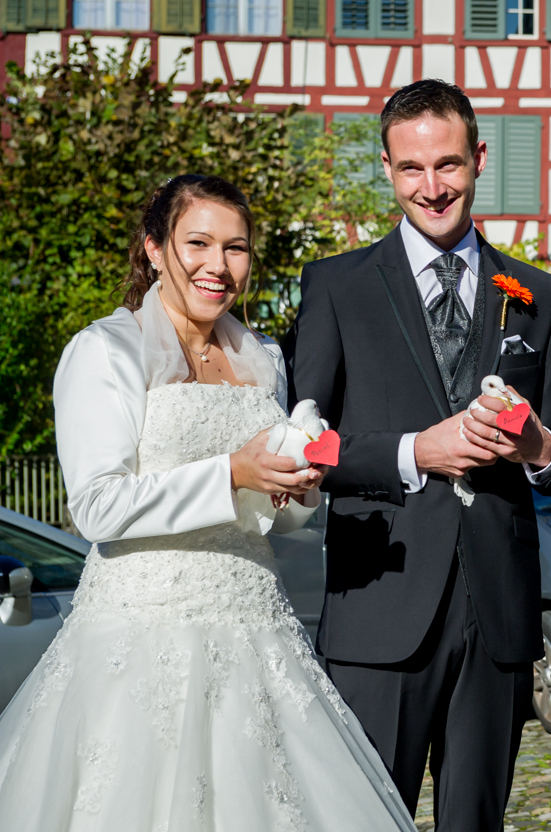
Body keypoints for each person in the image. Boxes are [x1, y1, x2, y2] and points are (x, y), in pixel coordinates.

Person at [0, 174, 418, 831]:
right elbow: (96, 508)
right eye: (197, 242)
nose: (217, 265)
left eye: (237, 247)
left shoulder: (263, 359)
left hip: (256, 622)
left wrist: (296, 487)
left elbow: (279, 518)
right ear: (154, 249)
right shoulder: (106, 351)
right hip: (140, 635)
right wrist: (232, 471)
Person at [283, 79, 551, 830]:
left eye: (448, 164)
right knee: (364, 818)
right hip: (378, 610)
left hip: (497, 613)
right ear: (386, 168)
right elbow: (303, 449)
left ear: (479, 159)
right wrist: (417, 451)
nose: (432, 187)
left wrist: (537, 445)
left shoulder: (537, 294)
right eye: (412, 169)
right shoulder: (336, 288)